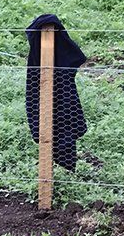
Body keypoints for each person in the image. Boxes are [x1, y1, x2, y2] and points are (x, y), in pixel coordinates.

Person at [25, 14, 92, 172]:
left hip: (61, 109)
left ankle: (59, 167)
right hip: (53, 106)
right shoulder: (39, 60)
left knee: (61, 124)